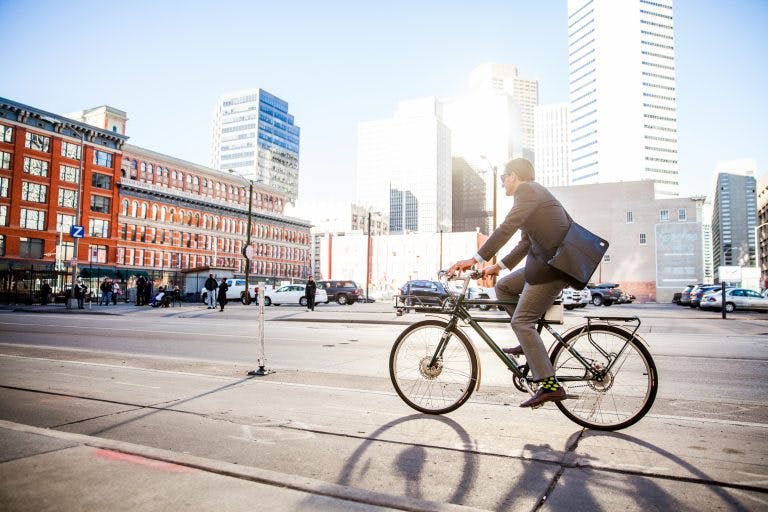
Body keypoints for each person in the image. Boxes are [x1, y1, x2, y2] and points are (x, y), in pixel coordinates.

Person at [448, 158, 575, 409]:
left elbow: (506, 228)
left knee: (521, 321)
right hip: (546, 263)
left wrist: (474, 259)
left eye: (502, 177)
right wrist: (498, 267)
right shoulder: (533, 197)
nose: (502, 182)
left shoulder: (528, 191)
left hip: (553, 267)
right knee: (503, 286)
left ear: (514, 176)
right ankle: (529, 343)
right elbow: (525, 243)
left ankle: (550, 385)